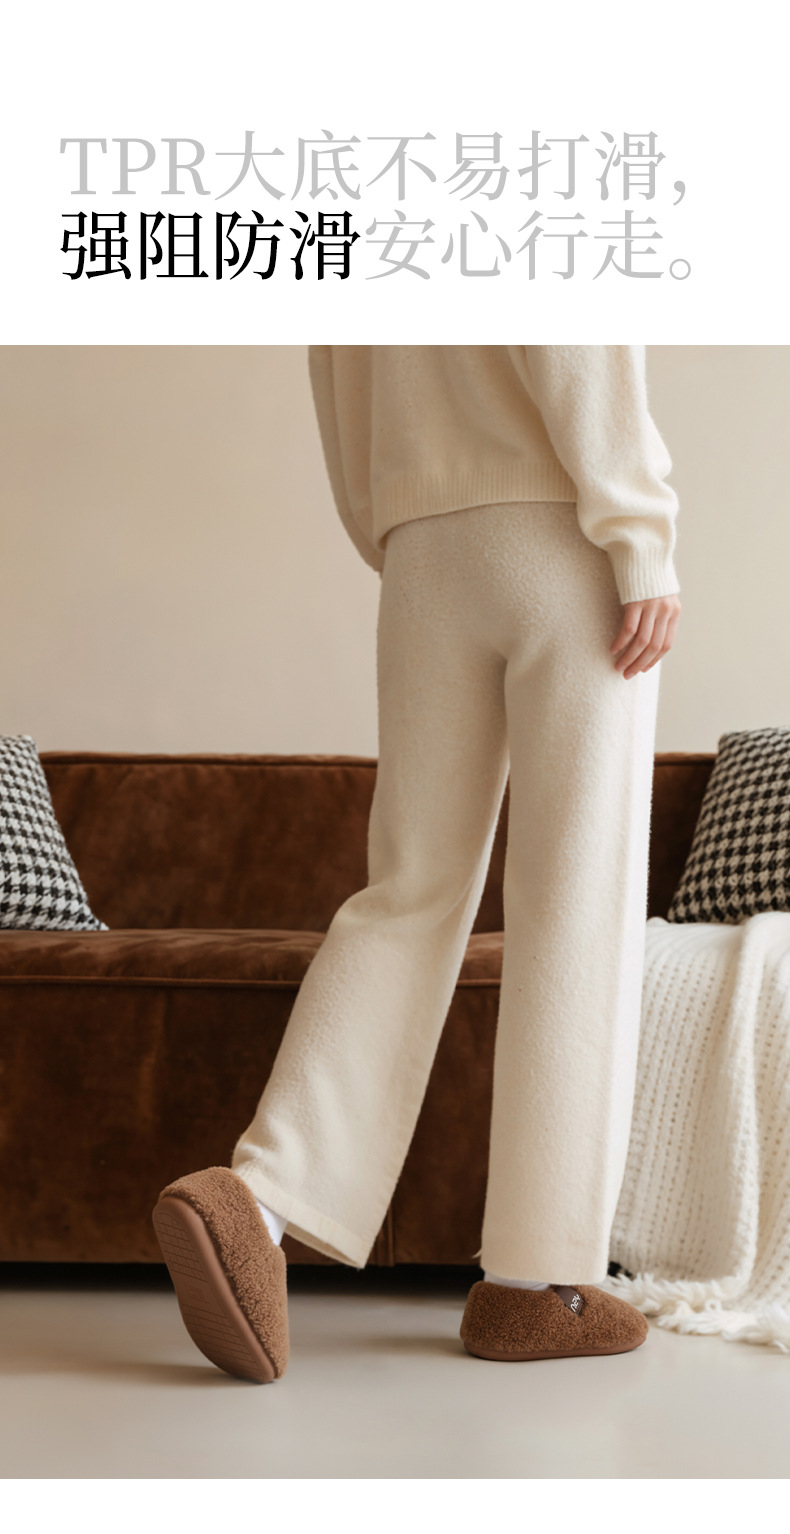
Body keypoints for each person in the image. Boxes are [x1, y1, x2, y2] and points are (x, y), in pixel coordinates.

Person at [153, 345, 681, 1382]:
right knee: (577, 901)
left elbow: (333, 364)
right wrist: (639, 530)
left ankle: (257, 1197)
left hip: (423, 551)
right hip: (562, 529)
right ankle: (536, 1285)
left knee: (408, 892)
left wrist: (396, 520)